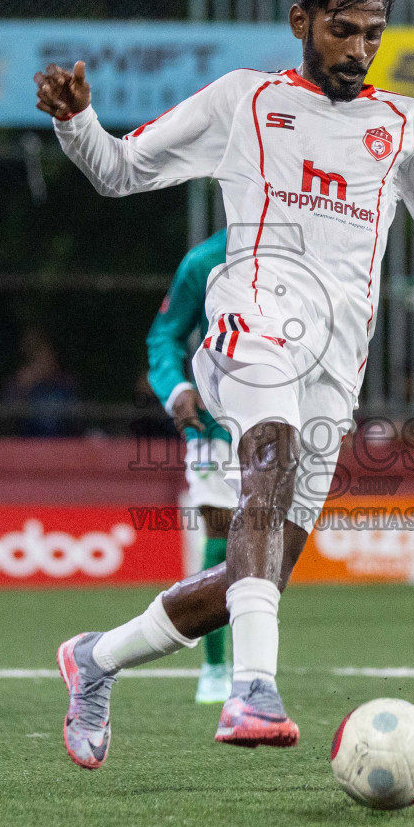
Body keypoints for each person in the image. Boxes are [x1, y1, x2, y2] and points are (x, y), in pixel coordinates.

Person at [36, 0, 414, 765]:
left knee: (252, 579)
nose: (360, 49)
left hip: (338, 361)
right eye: (343, 31)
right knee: (271, 457)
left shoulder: (402, 124)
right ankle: (252, 691)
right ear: (302, 23)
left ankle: (95, 660)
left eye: (374, 34)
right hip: (253, 320)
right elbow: (120, 172)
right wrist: (76, 122)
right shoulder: (246, 101)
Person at [145, 228, 237, 704]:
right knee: (222, 532)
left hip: (285, 420)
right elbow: (165, 334)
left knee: (274, 540)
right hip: (213, 423)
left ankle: (249, 663)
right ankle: (217, 666)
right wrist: (177, 389)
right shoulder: (203, 261)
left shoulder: (309, 248)